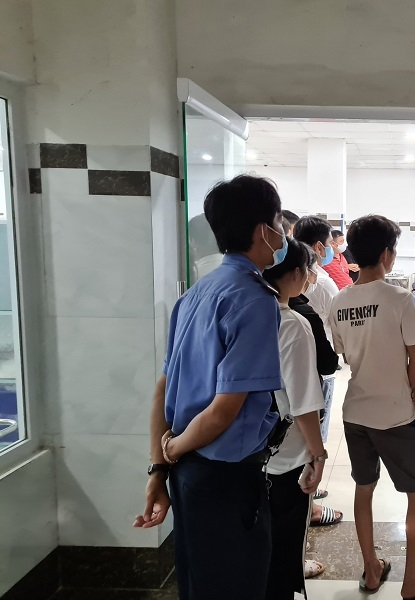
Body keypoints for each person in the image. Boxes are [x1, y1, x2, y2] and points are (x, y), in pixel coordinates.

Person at [133, 174, 294, 600]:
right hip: (225, 479)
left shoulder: (195, 294)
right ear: (263, 230)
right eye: (279, 221)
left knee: (199, 584)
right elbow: (224, 410)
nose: (283, 233)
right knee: (235, 585)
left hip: (188, 475)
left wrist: (160, 467)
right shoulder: (254, 300)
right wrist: (172, 450)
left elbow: (163, 386)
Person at [329, 215, 415, 599]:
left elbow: (343, 353)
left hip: (355, 412)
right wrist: (410, 391)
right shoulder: (399, 298)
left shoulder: (339, 301)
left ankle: (372, 569)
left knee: (364, 489)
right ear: (386, 254)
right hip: (395, 415)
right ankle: (413, 579)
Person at [262, 238, 329, 599]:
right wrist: (317, 454)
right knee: (284, 549)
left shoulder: (245, 313)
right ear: (292, 273)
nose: (309, 275)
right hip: (284, 457)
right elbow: (303, 402)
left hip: (247, 452)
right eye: (306, 268)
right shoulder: (292, 324)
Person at [292, 216, 343, 514]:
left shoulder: (294, 275)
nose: (334, 250)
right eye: (331, 244)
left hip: (300, 366)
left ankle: (305, 490)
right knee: (314, 435)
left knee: (297, 432)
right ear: (320, 247)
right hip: (318, 366)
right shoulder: (320, 281)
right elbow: (338, 324)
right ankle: (308, 501)